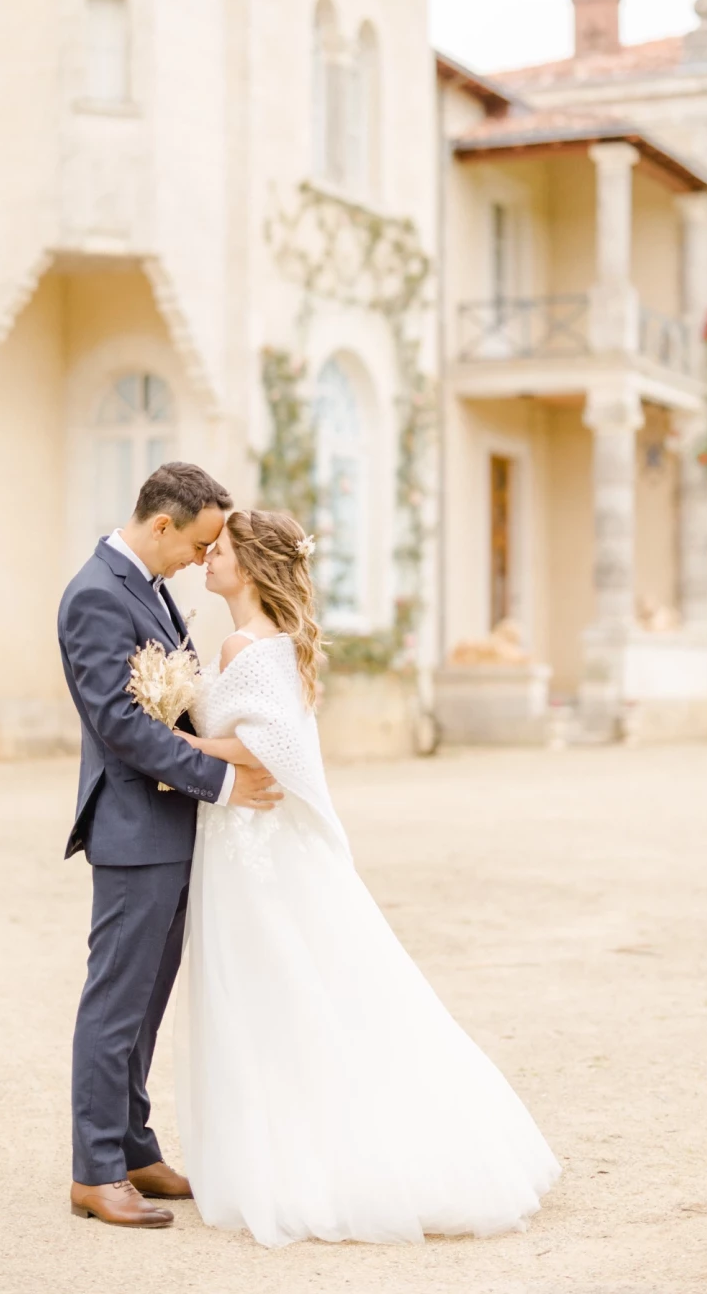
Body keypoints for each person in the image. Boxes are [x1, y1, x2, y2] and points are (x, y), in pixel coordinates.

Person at [172, 507, 561, 1246]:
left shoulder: (243, 644)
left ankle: (295, 1160)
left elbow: (267, 746)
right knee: (298, 984)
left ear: (249, 566)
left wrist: (182, 744)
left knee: (267, 990)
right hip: (252, 837)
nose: (207, 559)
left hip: (253, 842)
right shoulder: (275, 643)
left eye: (218, 550)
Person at [58, 463, 283, 1229]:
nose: (201, 558)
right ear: (162, 525)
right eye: (197, 543)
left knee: (145, 1005)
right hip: (133, 831)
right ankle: (95, 1173)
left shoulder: (150, 586)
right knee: (115, 1002)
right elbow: (120, 723)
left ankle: (132, 1147)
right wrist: (221, 781)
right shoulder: (95, 593)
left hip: (173, 825)